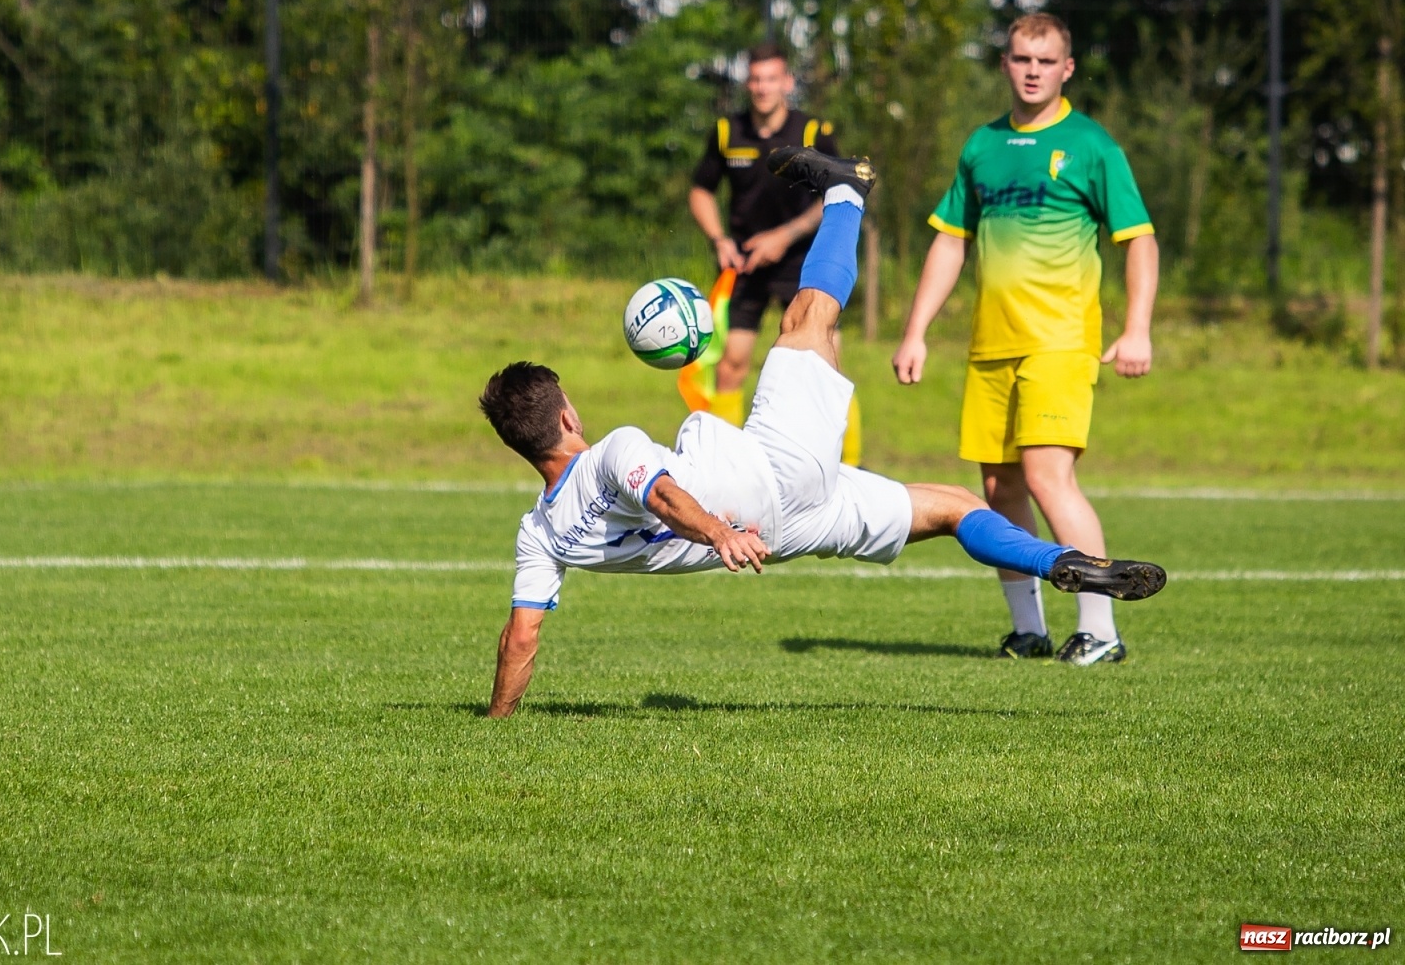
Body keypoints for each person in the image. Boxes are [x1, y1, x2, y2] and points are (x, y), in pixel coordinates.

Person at [482, 146, 1165, 717]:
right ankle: (846, 190)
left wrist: (498, 721)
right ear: (567, 416)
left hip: (786, 536)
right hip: (766, 484)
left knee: (956, 507)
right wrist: (720, 532)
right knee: (806, 318)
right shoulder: (613, 452)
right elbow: (659, 494)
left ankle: (1058, 564)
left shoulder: (539, 534)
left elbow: (522, 639)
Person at [891, 12, 1160, 666]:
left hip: (1061, 341)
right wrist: (916, 331)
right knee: (997, 491)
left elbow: (1140, 240)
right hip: (990, 346)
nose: (1032, 70)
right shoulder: (981, 146)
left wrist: (1137, 329)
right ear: (1005, 65)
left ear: (1066, 68)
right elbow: (950, 241)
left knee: (1046, 476)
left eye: (1045, 60)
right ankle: (1028, 630)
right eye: (1020, 59)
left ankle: (1101, 630)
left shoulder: (1092, 145)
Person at [688, 44, 862, 466]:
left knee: (827, 364)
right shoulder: (728, 131)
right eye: (755, 79)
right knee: (730, 365)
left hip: (805, 259)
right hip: (744, 263)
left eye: (771, 78)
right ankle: (724, 467)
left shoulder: (812, 131)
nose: (762, 87)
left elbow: (839, 190)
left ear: (787, 83)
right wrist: (719, 239)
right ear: (748, 83)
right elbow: (700, 191)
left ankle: (847, 468)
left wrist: (785, 236)